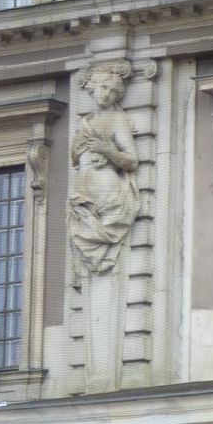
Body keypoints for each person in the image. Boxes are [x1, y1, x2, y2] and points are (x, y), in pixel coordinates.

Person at [68, 65, 140, 276]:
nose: (107, 94)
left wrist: (108, 151)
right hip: (82, 200)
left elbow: (132, 161)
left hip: (107, 199)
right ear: (92, 88)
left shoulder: (117, 120)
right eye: (103, 88)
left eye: (113, 91)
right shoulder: (85, 122)